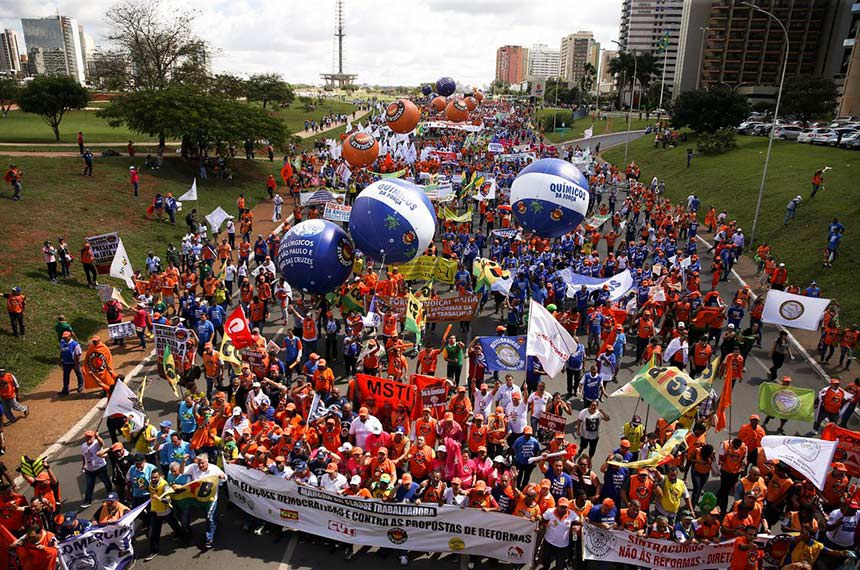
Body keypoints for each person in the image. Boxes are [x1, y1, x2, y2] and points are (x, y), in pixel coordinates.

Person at [180, 453, 226, 549]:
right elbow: (181, 472)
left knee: (209, 517)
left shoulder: (214, 468)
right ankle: (216, 520)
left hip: (211, 499)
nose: (200, 465)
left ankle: (209, 538)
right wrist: (183, 461)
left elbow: (224, 478)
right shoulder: (193, 467)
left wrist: (222, 476)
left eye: (202, 463)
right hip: (199, 499)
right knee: (209, 515)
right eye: (199, 463)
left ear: (207, 462)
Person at [536, 498, 579, 570]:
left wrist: (578, 527)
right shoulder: (549, 512)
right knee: (545, 563)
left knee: (560, 566)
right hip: (548, 543)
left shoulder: (572, 514)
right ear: (557, 506)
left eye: (565, 507)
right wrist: (540, 527)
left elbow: (579, 522)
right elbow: (542, 520)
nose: (563, 509)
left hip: (563, 546)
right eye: (561, 507)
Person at [80, 430, 112, 508]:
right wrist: (84, 465)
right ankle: (88, 501)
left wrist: (98, 437)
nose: (88, 438)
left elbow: (102, 443)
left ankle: (110, 492)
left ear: (94, 437)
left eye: (90, 437)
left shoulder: (97, 443)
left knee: (106, 481)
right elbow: (84, 456)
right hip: (89, 469)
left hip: (100, 467)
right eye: (87, 437)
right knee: (89, 485)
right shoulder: (83, 446)